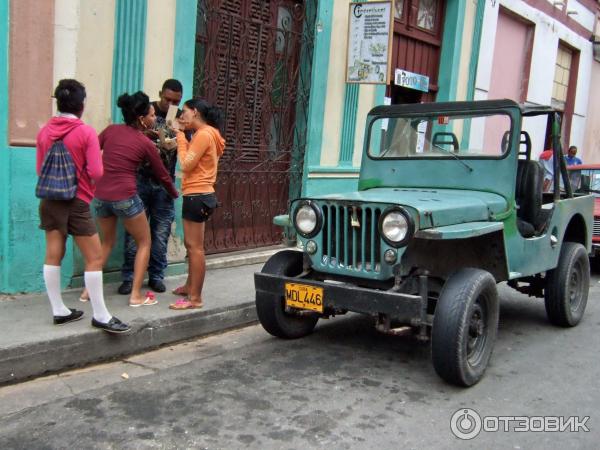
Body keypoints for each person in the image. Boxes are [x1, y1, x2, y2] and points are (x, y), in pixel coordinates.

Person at [36, 79, 130, 333]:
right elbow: (96, 171)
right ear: (81, 104)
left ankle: (59, 310)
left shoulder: (44, 131)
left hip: (49, 200)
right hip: (77, 200)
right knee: (95, 257)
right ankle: (100, 314)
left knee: (53, 253)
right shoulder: (85, 132)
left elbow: (39, 168)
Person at [92, 91, 179, 306]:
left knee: (107, 243)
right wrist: (175, 193)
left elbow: (92, 149)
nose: (154, 118)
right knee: (144, 241)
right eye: (150, 115)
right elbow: (163, 175)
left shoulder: (112, 130)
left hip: (101, 197)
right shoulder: (144, 141)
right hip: (129, 195)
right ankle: (135, 295)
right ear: (141, 119)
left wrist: (95, 176)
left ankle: (87, 293)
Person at [118, 79, 184, 295]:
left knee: (161, 232)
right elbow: (128, 136)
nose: (171, 104)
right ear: (159, 94)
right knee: (133, 233)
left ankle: (156, 276)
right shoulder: (146, 111)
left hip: (165, 184)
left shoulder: (181, 116)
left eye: (176, 100)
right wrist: (145, 136)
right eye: (167, 99)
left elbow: (188, 145)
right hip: (140, 179)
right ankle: (129, 277)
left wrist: (180, 135)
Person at [169, 99, 225, 310]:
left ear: (195, 112)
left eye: (184, 112)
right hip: (201, 194)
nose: (182, 116)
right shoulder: (211, 133)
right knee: (192, 247)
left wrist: (181, 137)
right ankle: (189, 286)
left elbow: (185, 164)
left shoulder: (203, 134)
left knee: (195, 249)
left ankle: (195, 299)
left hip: (197, 194)